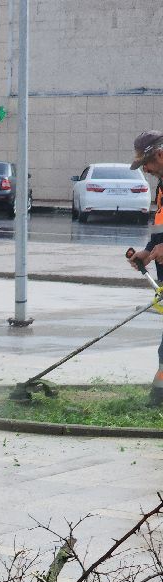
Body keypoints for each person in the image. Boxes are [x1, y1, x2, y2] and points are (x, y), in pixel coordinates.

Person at [127, 131, 163, 404]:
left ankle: (157, 400)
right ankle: (158, 399)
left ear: (159, 155)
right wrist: (148, 252)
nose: (146, 170)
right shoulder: (162, 186)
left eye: (146, 164)